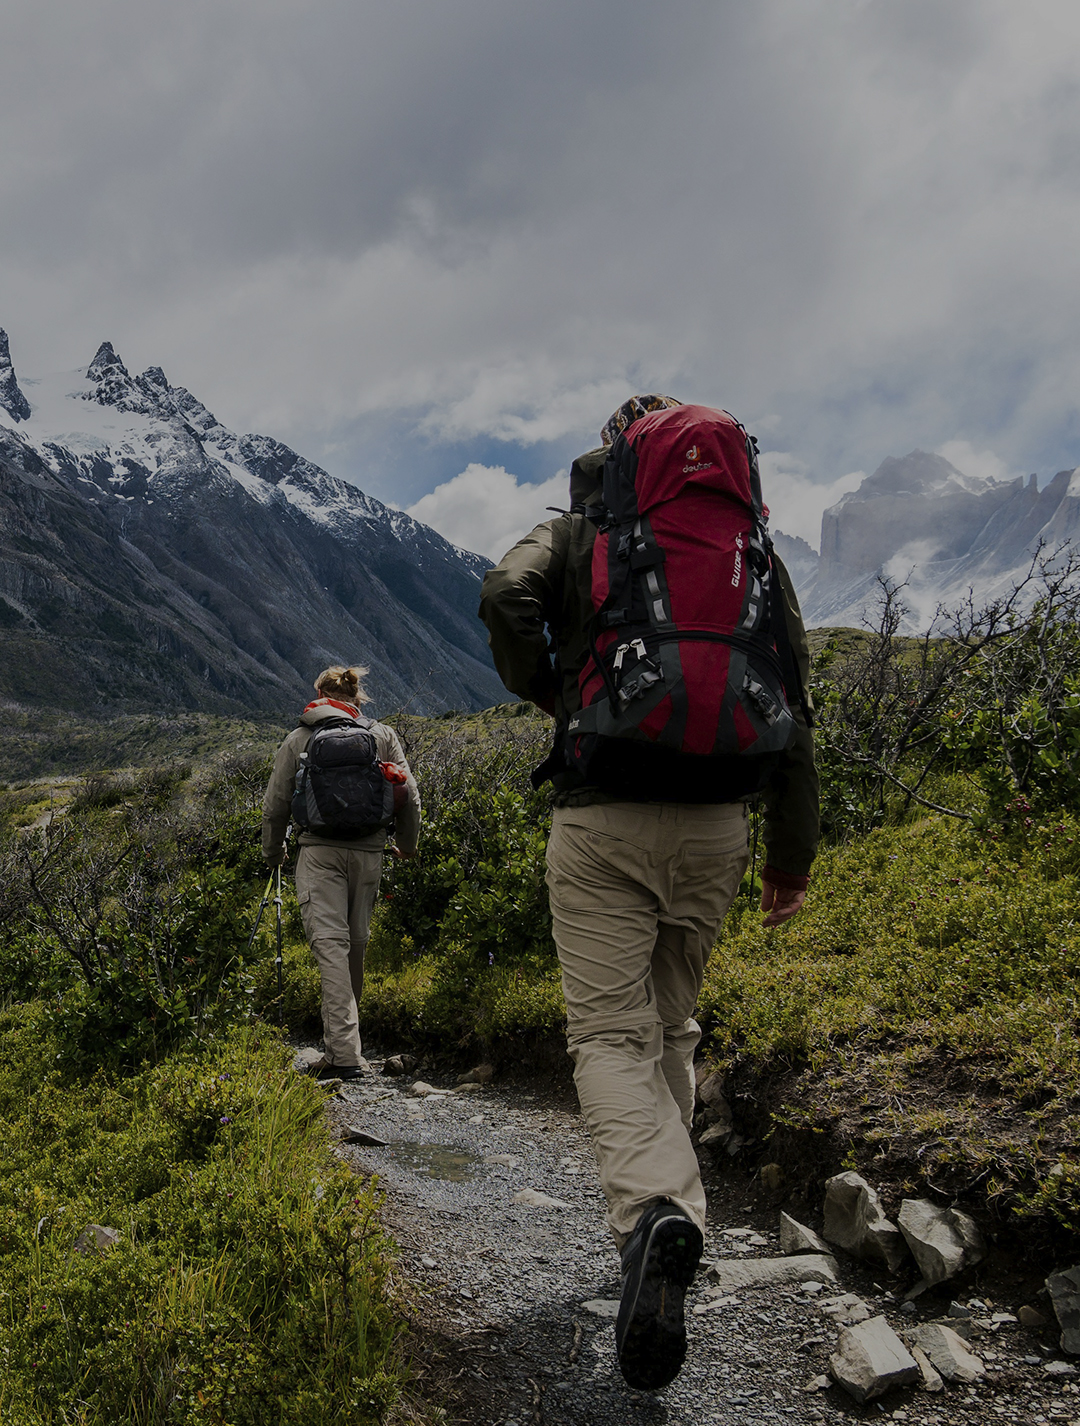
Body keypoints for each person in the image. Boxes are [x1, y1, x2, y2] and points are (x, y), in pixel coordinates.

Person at [478, 396, 818, 1391]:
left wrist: (550, 688)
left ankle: (654, 1215)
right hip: (718, 825)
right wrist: (789, 861)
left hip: (604, 816)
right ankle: (666, 1222)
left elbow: (504, 593)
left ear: (619, 454)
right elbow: (794, 701)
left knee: (607, 1036)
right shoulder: (750, 552)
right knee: (671, 1027)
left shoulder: (584, 532)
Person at [262, 664, 421, 1082]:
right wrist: (406, 844)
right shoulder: (382, 735)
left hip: (319, 854)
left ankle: (344, 1055)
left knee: (330, 947)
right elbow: (410, 795)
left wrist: (274, 852)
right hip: (370, 853)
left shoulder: (299, 738)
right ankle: (346, 1045)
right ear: (357, 697)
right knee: (355, 945)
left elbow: (275, 805)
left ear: (318, 695)